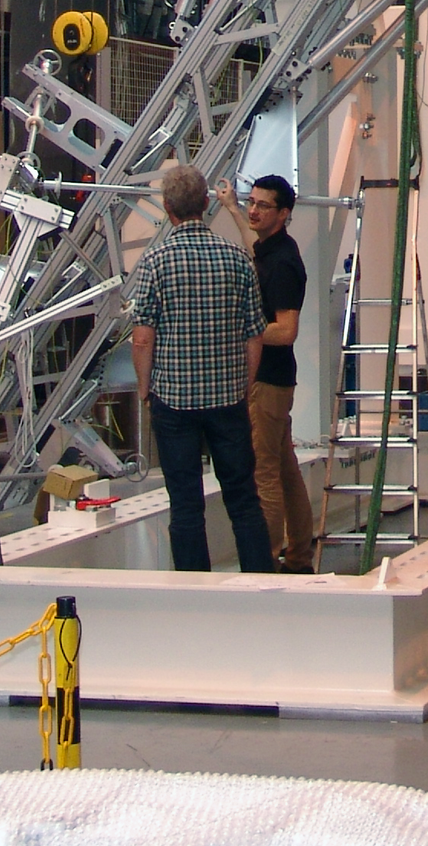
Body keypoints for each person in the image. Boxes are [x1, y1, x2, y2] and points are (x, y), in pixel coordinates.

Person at [124, 161, 274, 573]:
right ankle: (262, 581)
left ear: (168, 209)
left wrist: (144, 389)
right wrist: (244, 387)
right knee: (243, 498)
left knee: (185, 503)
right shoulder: (237, 259)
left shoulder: (155, 263)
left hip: (174, 402)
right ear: (206, 203)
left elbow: (142, 337)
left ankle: (194, 589)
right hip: (227, 399)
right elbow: (254, 334)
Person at [221, 173, 313, 572]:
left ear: (284, 214)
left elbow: (287, 329)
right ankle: (297, 556)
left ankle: (268, 561)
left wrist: (241, 333)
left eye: (262, 205)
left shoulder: (282, 264)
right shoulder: (272, 250)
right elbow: (253, 242)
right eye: (251, 202)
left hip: (268, 382)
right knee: (286, 472)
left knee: (265, 475)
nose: (254, 210)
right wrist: (231, 207)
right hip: (273, 380)